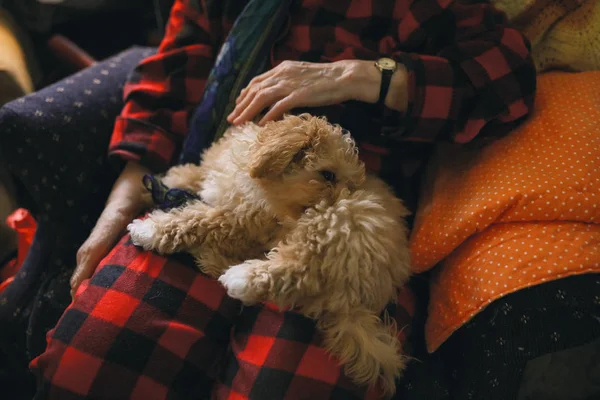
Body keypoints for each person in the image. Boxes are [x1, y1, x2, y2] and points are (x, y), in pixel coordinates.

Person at [29, 0, 537, 399]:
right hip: (221, 191)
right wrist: (119, 210)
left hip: (346, 229)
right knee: (91, 366)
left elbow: (506, 76)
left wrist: (356, 75)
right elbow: (169, 84)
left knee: (286, 385)